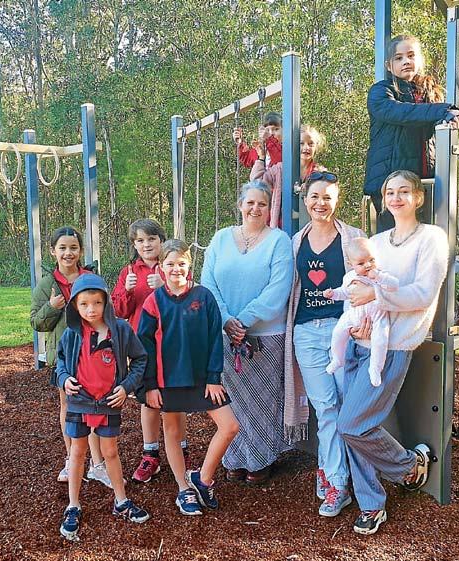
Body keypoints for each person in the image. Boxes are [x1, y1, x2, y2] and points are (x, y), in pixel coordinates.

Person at [339, 170, 449, 536]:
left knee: (351, 424)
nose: (396, 198)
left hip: (393, 346)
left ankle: (408, 467)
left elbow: (423, 294)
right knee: (355, 428)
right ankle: (372, 504)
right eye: (390, 192)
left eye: (404, 191)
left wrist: (376, 295)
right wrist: (354, 323)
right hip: (359, 344)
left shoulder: (432, 238)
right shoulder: (376, 241)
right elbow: (355, 286)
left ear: (418, 197)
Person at [283, 172, 367, 518]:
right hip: (305, 332)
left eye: (327, 197)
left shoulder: (354, 238)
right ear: (305, 199)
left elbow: (369, 278)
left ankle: (339, 473)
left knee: (346, 407)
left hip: (342, 329)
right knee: (325, 407)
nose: (321, 203)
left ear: (337, 200)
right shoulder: (295, 242)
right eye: (315, 196)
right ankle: (337, 481)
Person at [201, 180, 293, 485]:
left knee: (262, 401)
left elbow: (278, 289)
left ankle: (261, 458)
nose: (255, 208)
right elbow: (208, 283)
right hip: (224, 336)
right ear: (240, 205)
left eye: (262, 204)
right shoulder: (220, 238)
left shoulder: (279, 241)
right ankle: (235, 458)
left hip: (264, 337)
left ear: (269, 208)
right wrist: (226, 320)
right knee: (232, 401)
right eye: (250, 202)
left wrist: (242, 320)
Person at [138, 239, 240, 516]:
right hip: (167, 381)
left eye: (181, 263)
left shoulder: (203, 297)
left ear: (190, 265)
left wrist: (213, 377)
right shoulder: (153, 302)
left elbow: (215, 339)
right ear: (160, 268)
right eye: (170, 264)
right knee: (172, 432)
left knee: (230, 426)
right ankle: (184, 489)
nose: (176, 269)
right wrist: (150, 386)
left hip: (202, 379)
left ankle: (202, 479)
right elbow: (144, 347)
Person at [56, 274, 150, 541]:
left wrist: (126, 387)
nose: (91, 309)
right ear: (75, 306)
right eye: (84, 304)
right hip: (79, 401)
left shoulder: (120, 330)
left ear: (106, 302)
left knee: (110, 452)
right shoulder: (71, 334)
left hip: (109, 402)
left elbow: (140, 359)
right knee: (77, 452)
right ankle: (73, 505)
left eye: (97, 302)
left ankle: (121, 501)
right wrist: (64, 379)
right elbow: (60, 362)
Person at [29, 227, 110, 487]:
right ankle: (71, 458)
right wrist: (51, 307)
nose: (68, 253)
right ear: (53, 251)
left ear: (81, 251)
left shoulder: (91, 279)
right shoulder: (47, 284)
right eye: (62, 248)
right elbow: (36, 322)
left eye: (73, 248)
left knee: (95, 406)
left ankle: (98, 464)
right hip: (63, 357)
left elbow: (108, 313)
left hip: (93, 354)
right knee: (68, 406)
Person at [111, 219, 189, 483]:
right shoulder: (128, 271)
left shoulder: (174, 265)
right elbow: (119, 310)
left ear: (161, 241)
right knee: (148, 399)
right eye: (140, 240)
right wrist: (128, 290)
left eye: (152, 239)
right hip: (142, 347)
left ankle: (181, 449)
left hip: (173, 344)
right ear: (134, 245)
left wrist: (164, 285)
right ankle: (151, 453)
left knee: (175, 399)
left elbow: (188, 300)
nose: (146, 245)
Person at [364, 34, 459, 231]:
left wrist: (449, 117)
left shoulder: (430, 94)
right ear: (389, 65)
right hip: (390, 184)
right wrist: (443, 110)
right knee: (393, 241)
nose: (406, 61)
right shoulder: (381, 92)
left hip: (425, 182)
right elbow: (402, 112)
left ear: (420, 59)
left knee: (423, 240)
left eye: (411, 55)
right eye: (399, 58)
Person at [324, 237, 399, 387]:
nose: (368, 265)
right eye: (361, 263)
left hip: (377, 317)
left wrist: (379, 278)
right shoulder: (349, 277)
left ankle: (375, 368)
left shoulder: (381, 274)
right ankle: (337, 359)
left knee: (380, 340)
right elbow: (345, 293)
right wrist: (333, 294)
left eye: (371, 260)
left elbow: (394, 286)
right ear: (350, 264)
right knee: (338, 332)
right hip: (353, 315)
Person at [249, 124, 326, 228]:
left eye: (311, 144)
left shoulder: (320, 174)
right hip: (282, 227)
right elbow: (257, 184)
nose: (306, 147)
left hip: (309, 228)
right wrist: (261, 157)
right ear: (293, 145)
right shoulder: (280, 169)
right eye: (301, 143)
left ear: (316, 147)